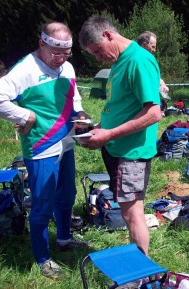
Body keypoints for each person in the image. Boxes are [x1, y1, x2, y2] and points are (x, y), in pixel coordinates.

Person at [0, 22, 91, 279]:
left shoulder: (67, 67)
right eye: (56, 53)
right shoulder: (25, 69)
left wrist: (81, 114)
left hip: (67, 141)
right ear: (42, 43)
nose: (61, 59)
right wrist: (24, 114)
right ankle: (42, 258)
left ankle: (64, 239)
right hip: (41, 146)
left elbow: (74, 99)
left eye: (66, 53)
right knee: (42, 203)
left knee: (67, 195)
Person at [79, 16, 162, 255]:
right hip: (116, 148)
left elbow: (153, 113)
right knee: (127, 211)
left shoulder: (139, 60)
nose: (97, 57)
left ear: (107, 35)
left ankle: (139, 274)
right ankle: (137, 265)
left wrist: (109, 134)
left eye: (97, 51)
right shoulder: (117, 63)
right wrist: (97, 127)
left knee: (133, 212)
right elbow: (121, 106)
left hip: (131, 151)